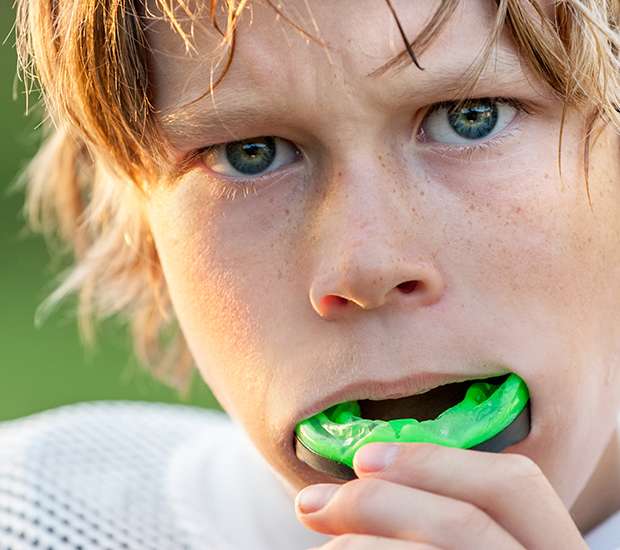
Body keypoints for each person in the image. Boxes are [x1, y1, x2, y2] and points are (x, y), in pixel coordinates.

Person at [2, 0, 619, 548]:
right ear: (145, 235)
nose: (365, 267)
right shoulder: (32, 517)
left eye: (470, 116)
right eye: (252, 153)